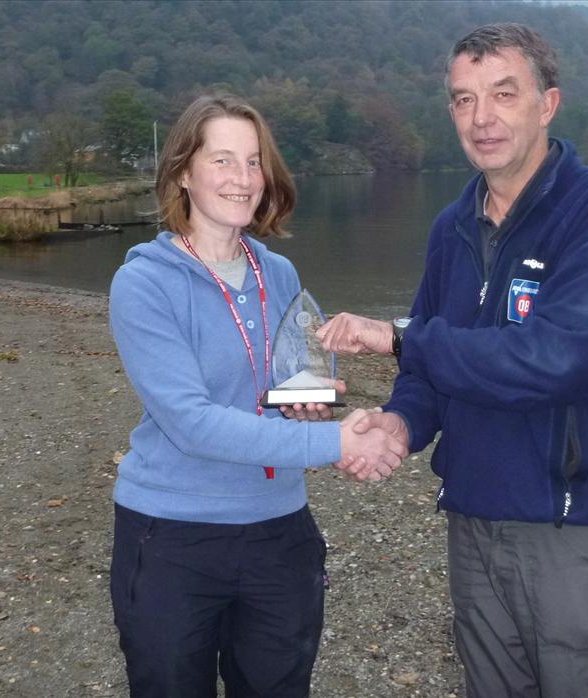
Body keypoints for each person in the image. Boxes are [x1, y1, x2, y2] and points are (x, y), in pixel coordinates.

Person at [318, 23, 588, 697]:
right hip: (473, 520)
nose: (483, 118)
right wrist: (400, 425)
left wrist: (398, 337)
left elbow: (560, 356)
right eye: (464, 99)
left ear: (547, 104)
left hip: (572, 524)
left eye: (504, 94)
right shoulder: (451, 227)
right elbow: (428, 367)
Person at [108, 93, 406, 698]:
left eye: (252, 162)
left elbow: (286, 384)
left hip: (279, 532)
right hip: (171, 537)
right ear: (183, 172)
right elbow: (190, 422)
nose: (242, 179)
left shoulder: (282, 274)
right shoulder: (142, 282)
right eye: (222, 160)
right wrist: (334, 441)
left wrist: (308, 403)